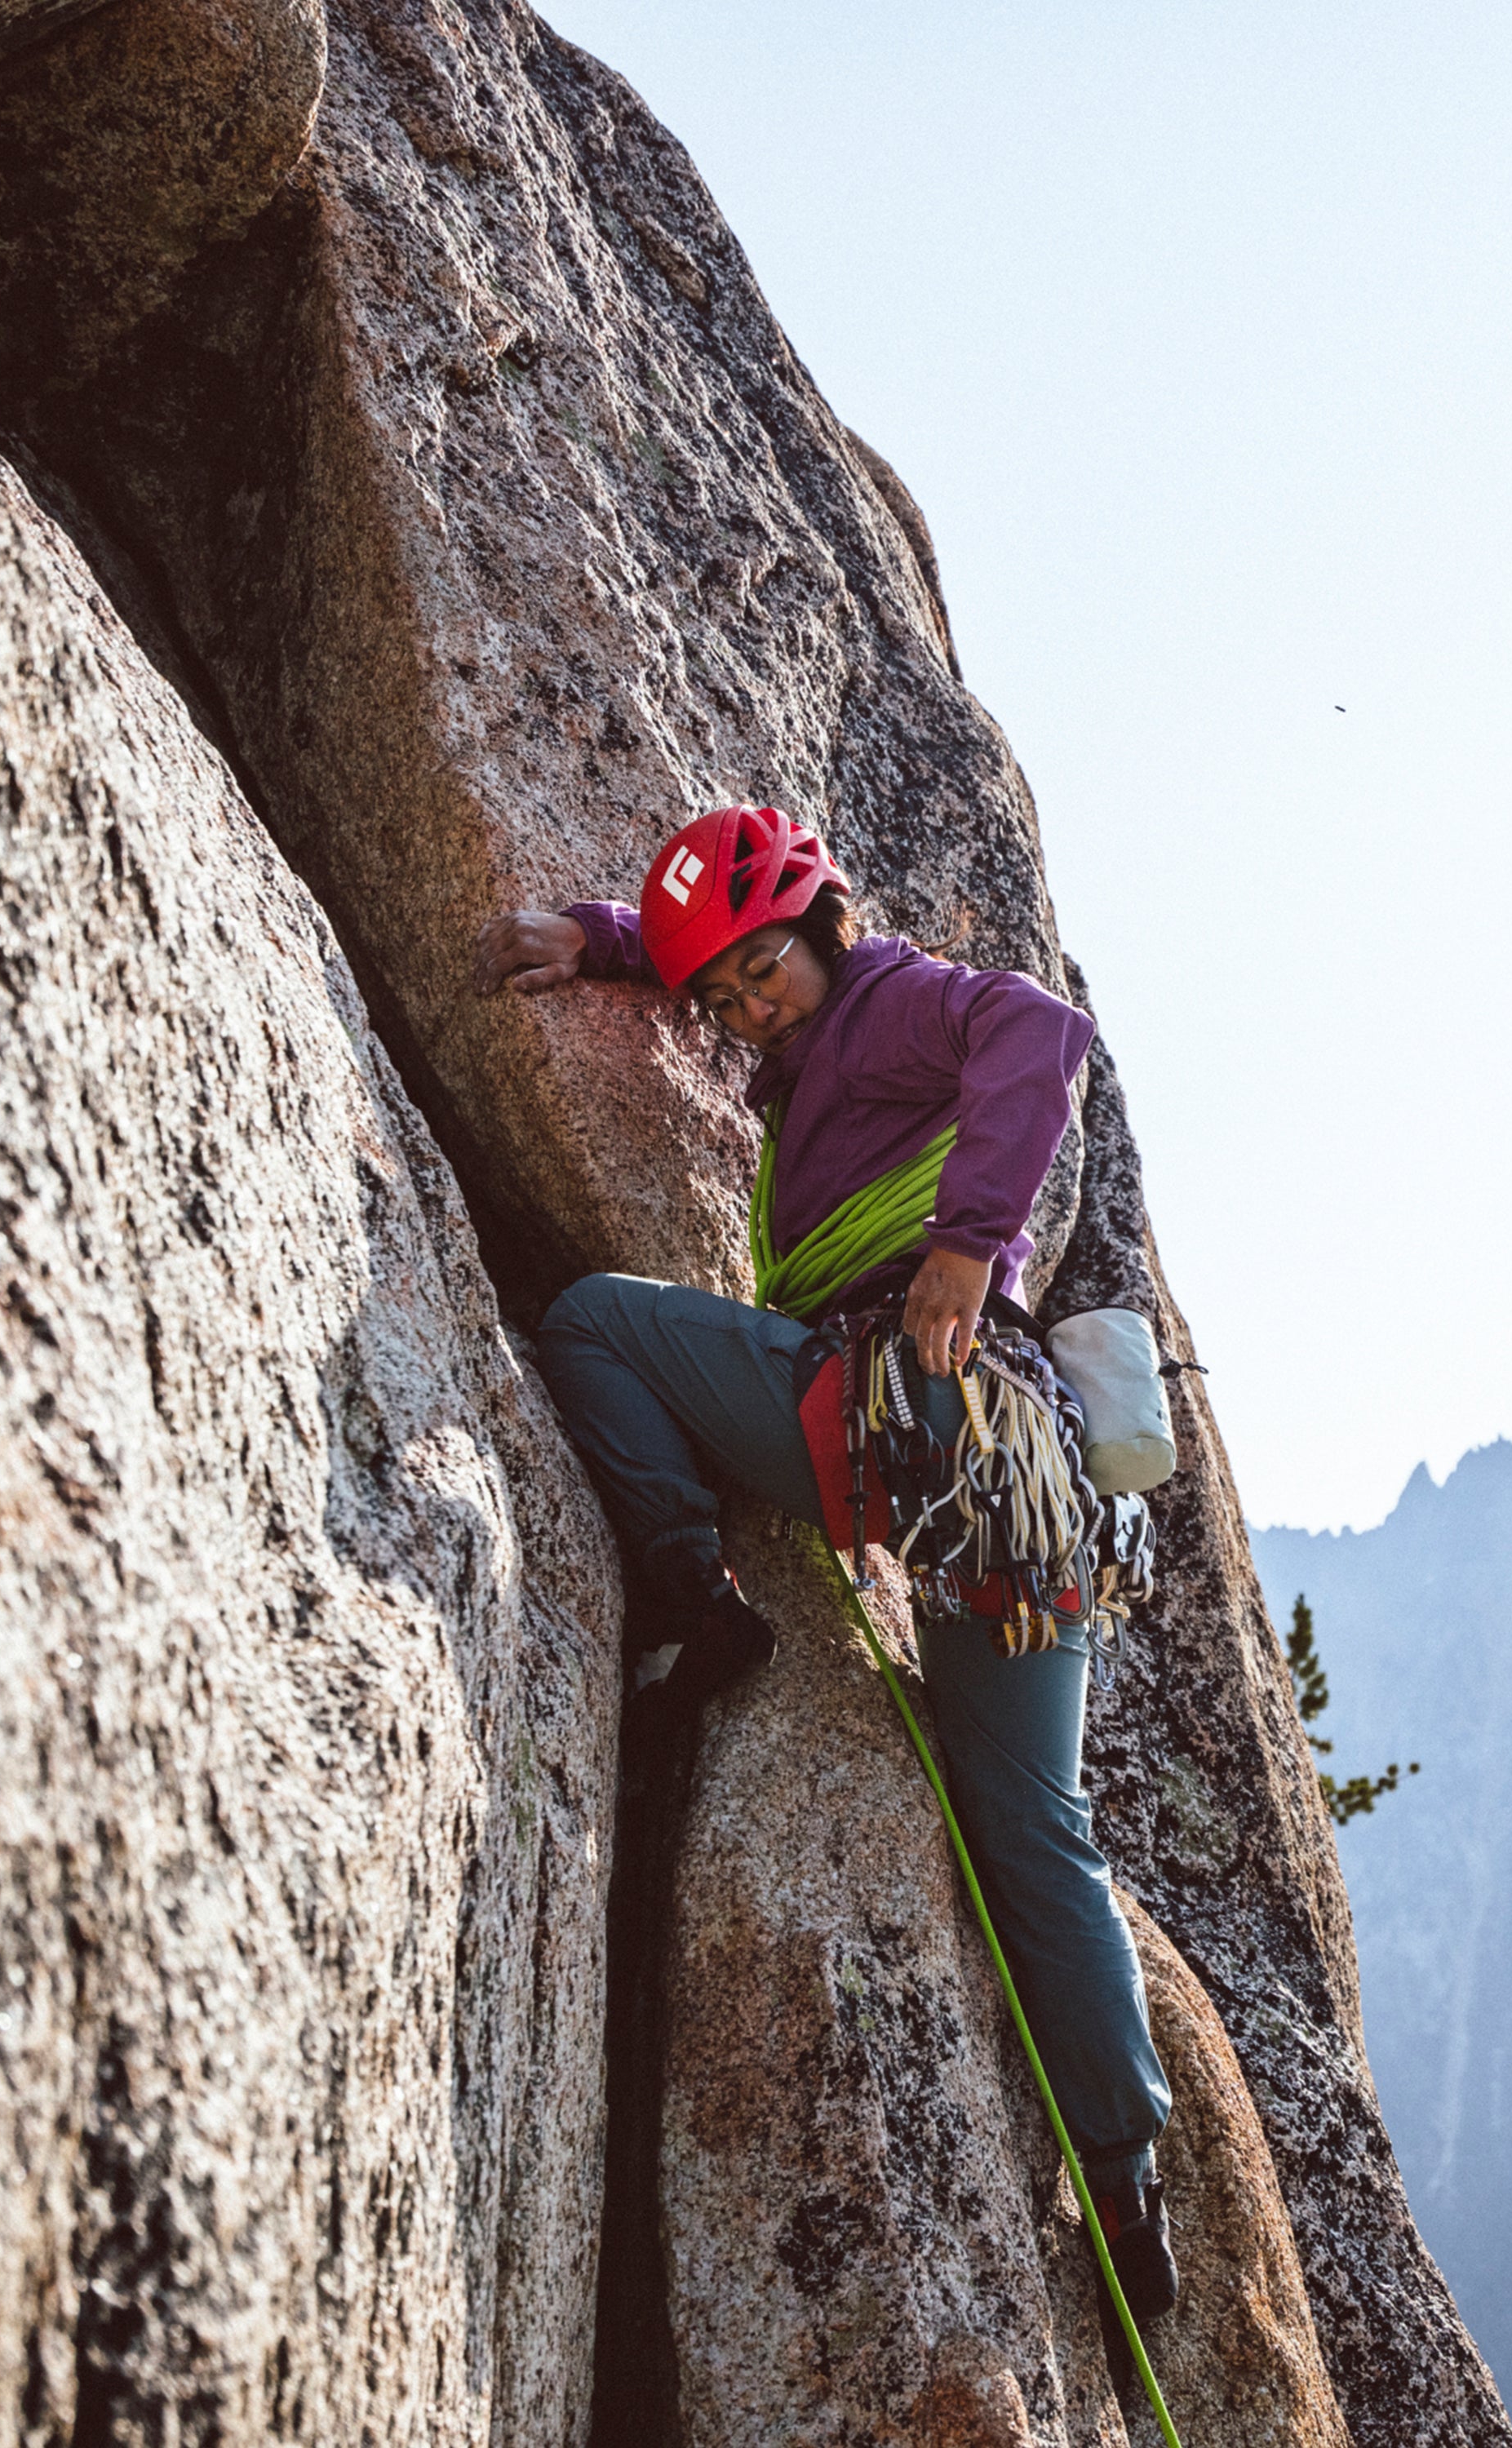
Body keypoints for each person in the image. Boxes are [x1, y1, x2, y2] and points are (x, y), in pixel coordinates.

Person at [472, 804, 1179, 2317]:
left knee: (596, 1320)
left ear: (828, 923)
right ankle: (1125, 2175)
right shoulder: (818, 1017)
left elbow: (1045, 1036)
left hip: (892, 1411)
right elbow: (724, 950)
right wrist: (606, 942)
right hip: (1017, 1490)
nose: (743, 1006)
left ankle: (695, 1600)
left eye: (763, 972)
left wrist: (965, 1242)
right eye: (720, 994)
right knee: (1033, 1823)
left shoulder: (897, 995)